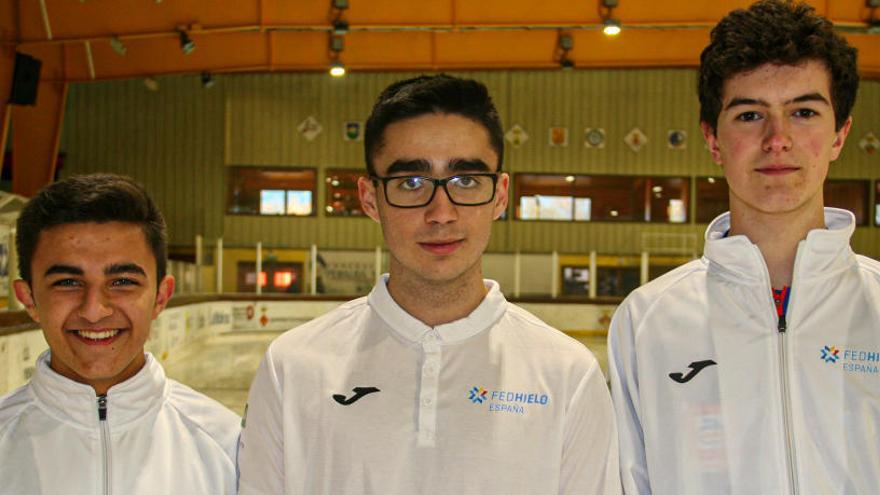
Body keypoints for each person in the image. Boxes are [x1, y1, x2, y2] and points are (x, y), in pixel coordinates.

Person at [238, 75, 620, 494]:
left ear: (500, 195)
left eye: (466, 181)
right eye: (411, 183)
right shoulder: (292, 366)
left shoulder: (567, 374)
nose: (442, 213)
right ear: (369, 198)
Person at [608, 1, 879, 493]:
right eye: (750, 114)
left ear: (840, 135)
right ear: (713, 139)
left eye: (803, 112)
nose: (777, 139)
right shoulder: (647, 321)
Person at [0, 174, 240, 494]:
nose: (94, 310)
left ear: (160, 297)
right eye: (67, 282)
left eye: (123, 281)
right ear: (29, 299)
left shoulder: (227, 445)